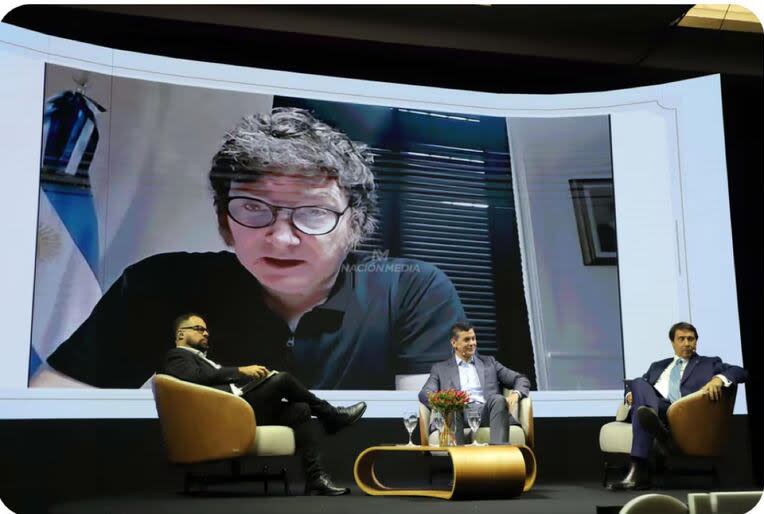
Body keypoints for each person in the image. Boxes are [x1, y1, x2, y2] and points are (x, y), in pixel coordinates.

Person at [34, 107, 465, 389]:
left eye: (313, 212)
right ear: (225, 223)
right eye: (253, 208)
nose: (280, 238)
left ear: (355, 225)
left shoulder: (411, 290)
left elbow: (434, 427)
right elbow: (54, 403)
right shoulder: (159, 284)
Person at [164, 313, 366, 495]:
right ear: (181, 334)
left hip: (236, 408)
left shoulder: (199, 359)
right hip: (224, 414)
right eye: (199, 329)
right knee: (283, 380)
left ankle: (315, 478)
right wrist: (241, 371)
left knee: (300, 409)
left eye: (207, 329)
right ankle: (332, 416)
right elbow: (196, 378)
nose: (206, 333)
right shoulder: (177, 357)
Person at [608, 321, 748, 491]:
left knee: (642, 411)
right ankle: (652, 419)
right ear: (673, 342)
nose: (687, 343)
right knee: (637, 383)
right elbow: (638, 387)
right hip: (655, 404)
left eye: (691, 339)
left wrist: (718, 379)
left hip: (683, 412)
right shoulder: (657, 366)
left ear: (696, 341)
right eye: (681, 339)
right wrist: (630, 394)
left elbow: (740, 371)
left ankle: (639, 465)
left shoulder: (709, 363)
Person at [418, 321, 530, 444]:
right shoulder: (440, 369)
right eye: (467, 340)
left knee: (498, 399)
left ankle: (499, 455)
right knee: (453, 404)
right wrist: (445, 402)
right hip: (458, 414)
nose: (472, 343)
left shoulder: (489, 363)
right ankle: (458, 457)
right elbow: (425, 393)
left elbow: (520, 379)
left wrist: (516, 394)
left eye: (473, 338)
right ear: (454, 343)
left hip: (487, 412)